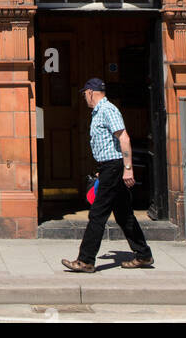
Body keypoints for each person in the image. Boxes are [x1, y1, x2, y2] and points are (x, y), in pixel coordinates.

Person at [61, 77, 154, 273]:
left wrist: (127, 168)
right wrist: (102, 167)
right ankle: (143, 254)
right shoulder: (100, 112)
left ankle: (85, 260)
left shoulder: (107, 110)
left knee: (98, 214)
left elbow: (124, 138)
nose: (85, 99)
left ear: (90, 92)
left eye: (85, 95)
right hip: (109, 167)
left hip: (114, 167)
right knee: (124, 214)